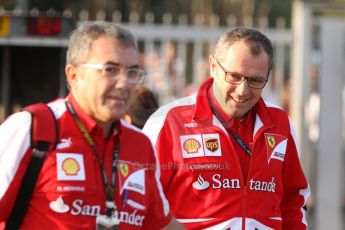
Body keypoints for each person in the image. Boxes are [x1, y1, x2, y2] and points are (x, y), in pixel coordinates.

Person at [0, 21, 182, 229]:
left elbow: (160, 224)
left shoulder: (140, 145)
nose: (124, 83)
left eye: (132, 72)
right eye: (110, 69)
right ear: (74, 75)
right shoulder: (31, 129)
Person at [143, 28, 310, 229]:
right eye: (234, 76)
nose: (242, 91)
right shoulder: (168, 121)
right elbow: (142, 201)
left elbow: (293, 199)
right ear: (213, 66)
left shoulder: (280, 122)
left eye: (255, 80)